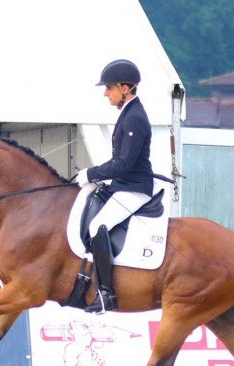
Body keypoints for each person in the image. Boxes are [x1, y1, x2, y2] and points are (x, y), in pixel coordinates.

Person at [76, 59, 154, 314]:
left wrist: (90, 173)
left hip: (134, 188)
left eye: (109, 88)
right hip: (123, 185)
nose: (105, 93)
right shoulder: (128, 113)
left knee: (99, 226)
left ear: (125, 87)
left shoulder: (135, 118)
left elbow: (123, 164)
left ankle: (107, 294)